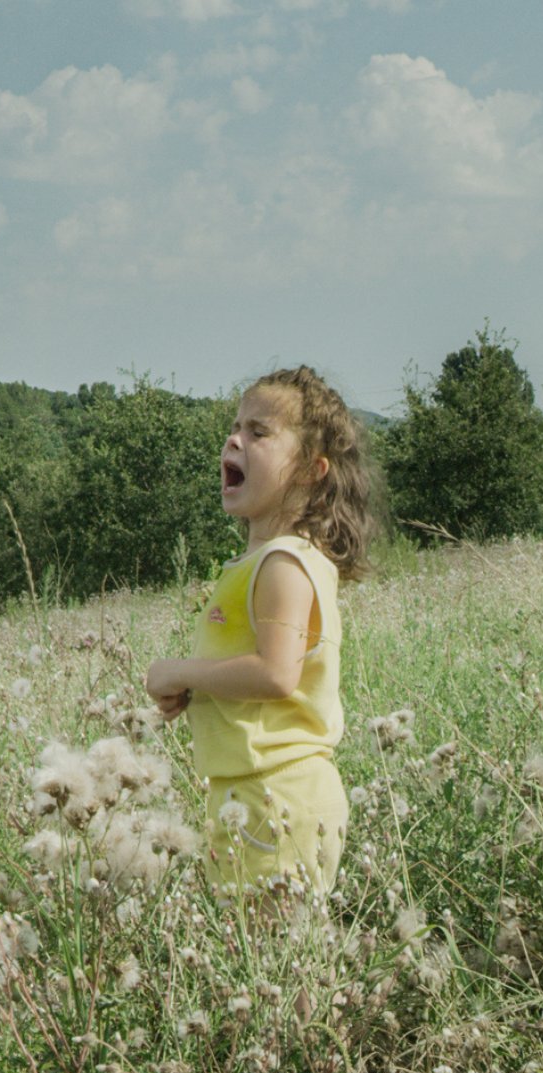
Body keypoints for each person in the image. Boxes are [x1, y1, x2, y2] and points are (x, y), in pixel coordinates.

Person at [144, 365, 374, 898]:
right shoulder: (262, 562)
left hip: (277, 793)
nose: (234, 439)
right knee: (267, 964)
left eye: (259, 432)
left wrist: (177, 670)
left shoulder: (284, 563)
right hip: (250, 793)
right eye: (235, 427)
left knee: (277, 967)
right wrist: (198, 688)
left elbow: (275, 673)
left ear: (311, 472)